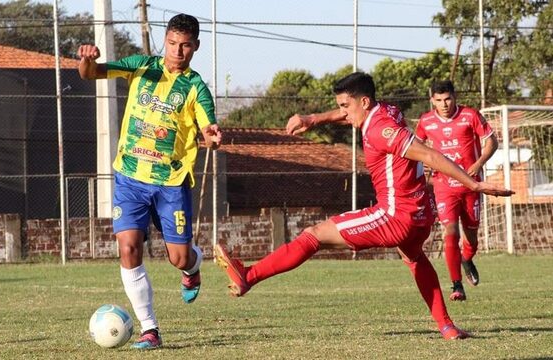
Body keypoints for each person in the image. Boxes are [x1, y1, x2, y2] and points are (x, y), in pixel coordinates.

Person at [214, 72, 512, 340]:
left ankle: (248, 277)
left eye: (346, 105)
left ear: (364, 102)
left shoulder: (379, 129)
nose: (343, 113)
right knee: (415, 259)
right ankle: (447, 327)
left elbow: (430, 156)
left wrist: (474, 184)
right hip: (421, 216)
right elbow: (348, 116)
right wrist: (314, 119)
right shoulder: (386, 111)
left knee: (314, 234)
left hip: (395, 216)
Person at [78, 13, 221, 350]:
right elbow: (93, 74)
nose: (178, 51)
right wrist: (86, 61)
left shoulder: (196, 87)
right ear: (165, 42)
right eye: (172, 44)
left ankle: (193, 265)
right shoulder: (142, 66)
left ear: (195, 47)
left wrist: (211, 134)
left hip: (170, 183)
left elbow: (207, 124)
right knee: (128, 248)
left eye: (185, 45)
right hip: (129, 177)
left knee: (179, 258)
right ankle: (150, 329)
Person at [416, 80, 497, 302]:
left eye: (448, 99)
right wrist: (425, 164)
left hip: (471, 185)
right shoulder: (425, 121)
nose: (444, 104)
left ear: (455, 97)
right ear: (432, 100)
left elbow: (492, 141)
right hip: (444, 186)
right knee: (450, 231)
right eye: (439, 100)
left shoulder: (470, 116)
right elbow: (416, 148)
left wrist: (479, 163)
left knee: (471, 235)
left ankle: (467, 258)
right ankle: (457, 285)